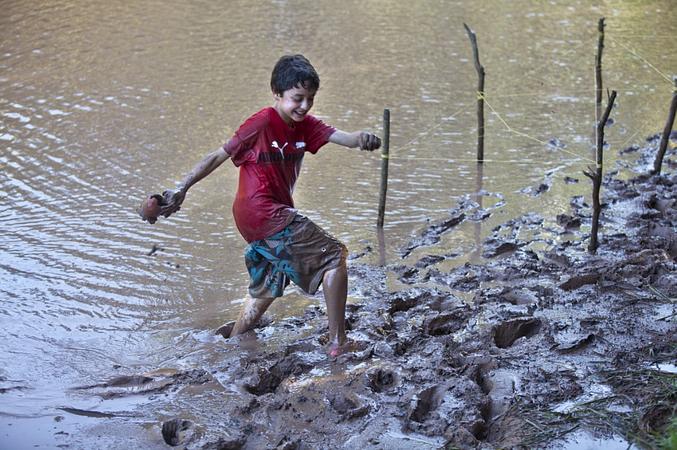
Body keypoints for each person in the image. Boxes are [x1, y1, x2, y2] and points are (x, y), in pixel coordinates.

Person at [143, 54, 381, 357]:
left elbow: (341, 137)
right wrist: (182, 187)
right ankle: (338, 343)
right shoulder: (263, 122)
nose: (304, 106)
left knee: (270, 280)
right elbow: (218, 155)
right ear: (277, 94)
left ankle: (234, 340)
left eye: (310, 99)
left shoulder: (306, 126)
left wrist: (361, 139)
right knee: (333, 257)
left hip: (257, 219)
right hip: (263, 213)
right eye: (297, 98)